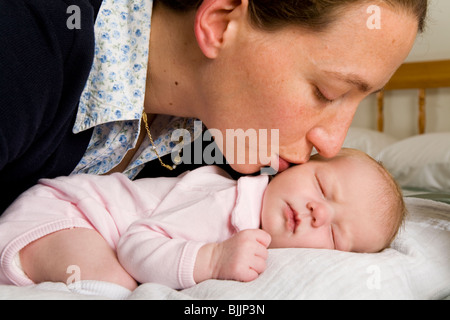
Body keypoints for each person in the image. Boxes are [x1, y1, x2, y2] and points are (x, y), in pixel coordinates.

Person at [0, 0, 425, 293]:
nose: (332, 143)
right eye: (327, 92)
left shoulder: (223, 148)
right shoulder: (28, 42)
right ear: (219, 23)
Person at [0, 148, 406, 292]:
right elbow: (137, 241)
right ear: (292, 166)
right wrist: (211, 260)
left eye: (334, 233)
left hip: (70, 224)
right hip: (67, 213)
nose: (319, 212)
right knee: (114, 287)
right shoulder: (228, 200)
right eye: (320, 185)